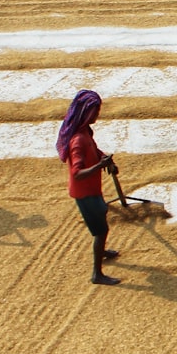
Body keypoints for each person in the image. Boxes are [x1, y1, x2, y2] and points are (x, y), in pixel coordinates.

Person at [57, 89, 121, 285]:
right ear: (85, 112)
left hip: (93, 190)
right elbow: (77, 173)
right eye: (95, 111)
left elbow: (94, 149)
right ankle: (97, 274)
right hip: (85, 193)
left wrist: (105, 159)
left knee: (101, 219)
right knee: (100, 231)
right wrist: (100, 166)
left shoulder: (85, 132)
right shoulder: (77, 141)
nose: (97, 115)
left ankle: (101, 250)